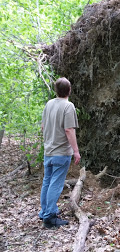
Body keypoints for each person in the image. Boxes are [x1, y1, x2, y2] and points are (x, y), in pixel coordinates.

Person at [39, 77, 81, 229]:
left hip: (48, 151)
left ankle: (45, 212)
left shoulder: (49, 104)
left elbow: (43, 127)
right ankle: (50, 217)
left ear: (56, 90)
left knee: (47, 181)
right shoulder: (68, 106)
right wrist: (76, 151)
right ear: (69, 90)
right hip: (61, 152)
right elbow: (69, 130)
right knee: (55, 184)